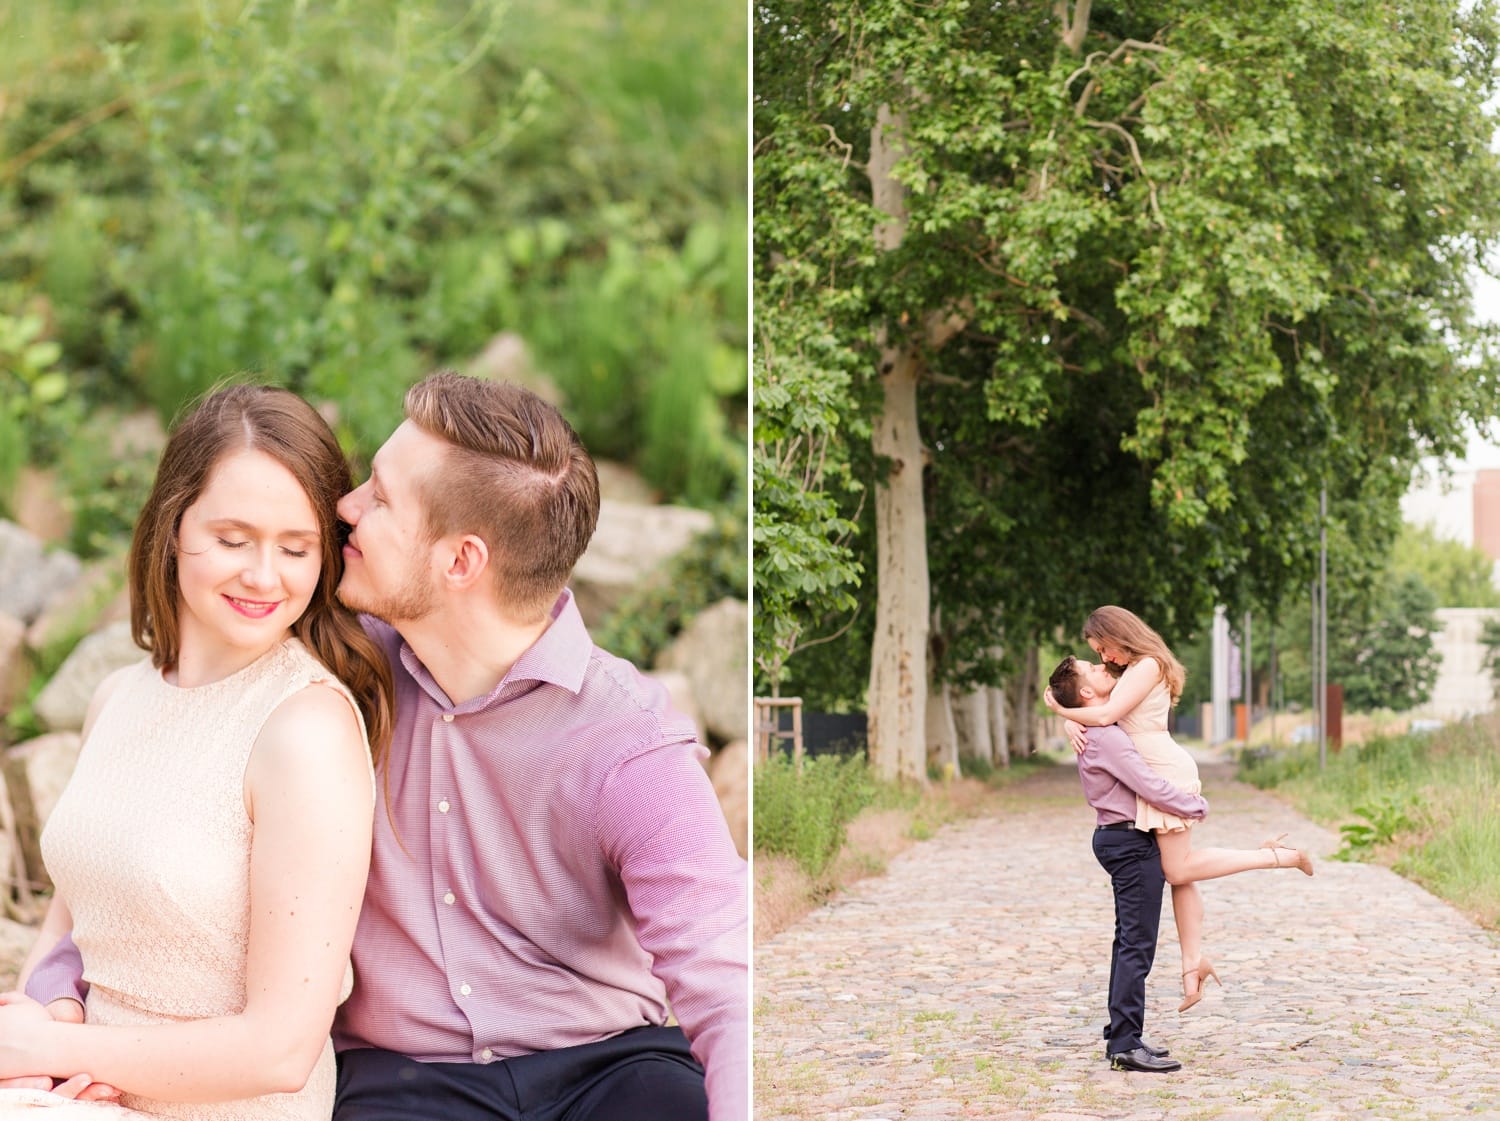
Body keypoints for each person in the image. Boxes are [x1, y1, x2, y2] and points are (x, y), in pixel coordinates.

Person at [25, 372, 749, 1121]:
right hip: (402, 1083)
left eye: (379, 495)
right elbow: (153, 821)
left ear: (460, 561)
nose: (345, 506)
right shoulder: (333, 668)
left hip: (604, 1069)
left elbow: (725, 982)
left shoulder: (626, 741)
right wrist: (59, 992)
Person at [0, 384, 395, 1116]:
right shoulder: (118, 695)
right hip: (75, 1090)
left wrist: (58, 1053)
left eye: (296, 546)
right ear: (172, 526)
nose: (264, 575)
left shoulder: (305, 730)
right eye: (234, 538)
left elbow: (280, 1048)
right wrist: (33, 1034)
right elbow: (71, 919)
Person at [1044, 605, 1313, 1013]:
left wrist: (1062, 713)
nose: (1104, 658)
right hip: (1150, 774)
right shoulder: (1129, 670)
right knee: (1179, 871)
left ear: (1119, 635)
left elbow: (1106, 713)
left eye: (1103, 648)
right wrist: (1072, 720)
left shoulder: (1148, 665)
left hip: (1163, 774)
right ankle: (1193, 964)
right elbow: (1095, 707)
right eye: (1097, 653)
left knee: (1178, 869)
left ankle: (1277, 857)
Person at [1047, 654, 1209, 1073]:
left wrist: (1067, 715)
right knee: (1137, 944)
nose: (1105, 668)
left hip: (1119, 839)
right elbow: (1149, 786)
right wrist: (1193, 804)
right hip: (1128, 842)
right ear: (1087, 692)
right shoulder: (1107, 737)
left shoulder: (1097, 726)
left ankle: (1122, 1031)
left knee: (1129, 941)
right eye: (1095, 669)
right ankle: (1124, 1043)